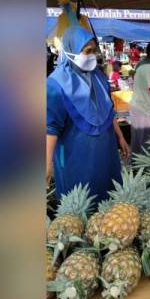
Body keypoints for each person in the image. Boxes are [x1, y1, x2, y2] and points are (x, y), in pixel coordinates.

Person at [47, 26, 130, 204]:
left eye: (94, 51)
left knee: (108, 199)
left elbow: (108, 110)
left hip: (105, 152)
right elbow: (50, 128)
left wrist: (120, 136)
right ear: (71, 50)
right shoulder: (55, 84)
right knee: (82, 205)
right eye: (87, 51)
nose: (92, 56)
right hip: (76, 156)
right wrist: (46, 164)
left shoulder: (98, 77)